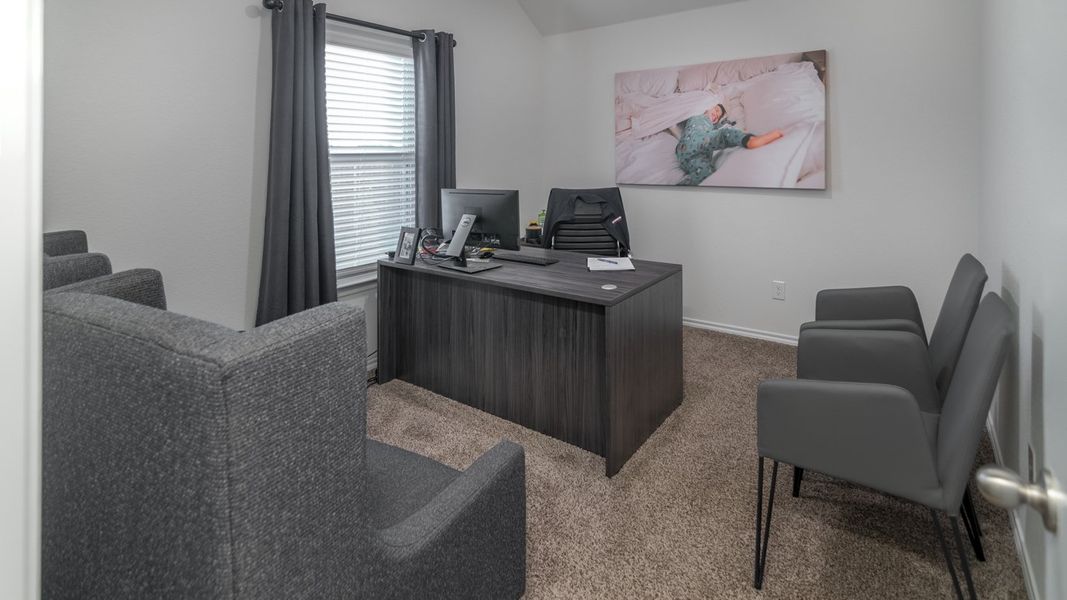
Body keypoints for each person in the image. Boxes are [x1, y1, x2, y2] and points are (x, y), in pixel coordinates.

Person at [674, 103, 783, 185]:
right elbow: (679, 115)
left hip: (686, 156)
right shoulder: (696, 115)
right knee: (723, 135)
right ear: (706, 107)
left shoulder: (712, 125)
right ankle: (749, 140)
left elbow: (724, 124)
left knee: (706, 173)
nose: (716, 114)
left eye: (718, 115)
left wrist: (729, 123)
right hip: (695, 141)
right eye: (716, 110)